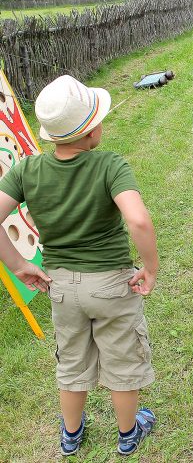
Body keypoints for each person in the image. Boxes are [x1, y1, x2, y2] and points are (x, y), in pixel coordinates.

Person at [0, 75, 159, 456]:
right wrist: (150, 268)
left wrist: (18, 262)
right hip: (110, 285)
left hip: (61, 288)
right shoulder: (109, 165)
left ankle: (71, 435)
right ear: (91, 132)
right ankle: (127, 434)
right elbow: (138, 220)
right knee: (121, 360)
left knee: (71, 363)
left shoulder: (26, 171)